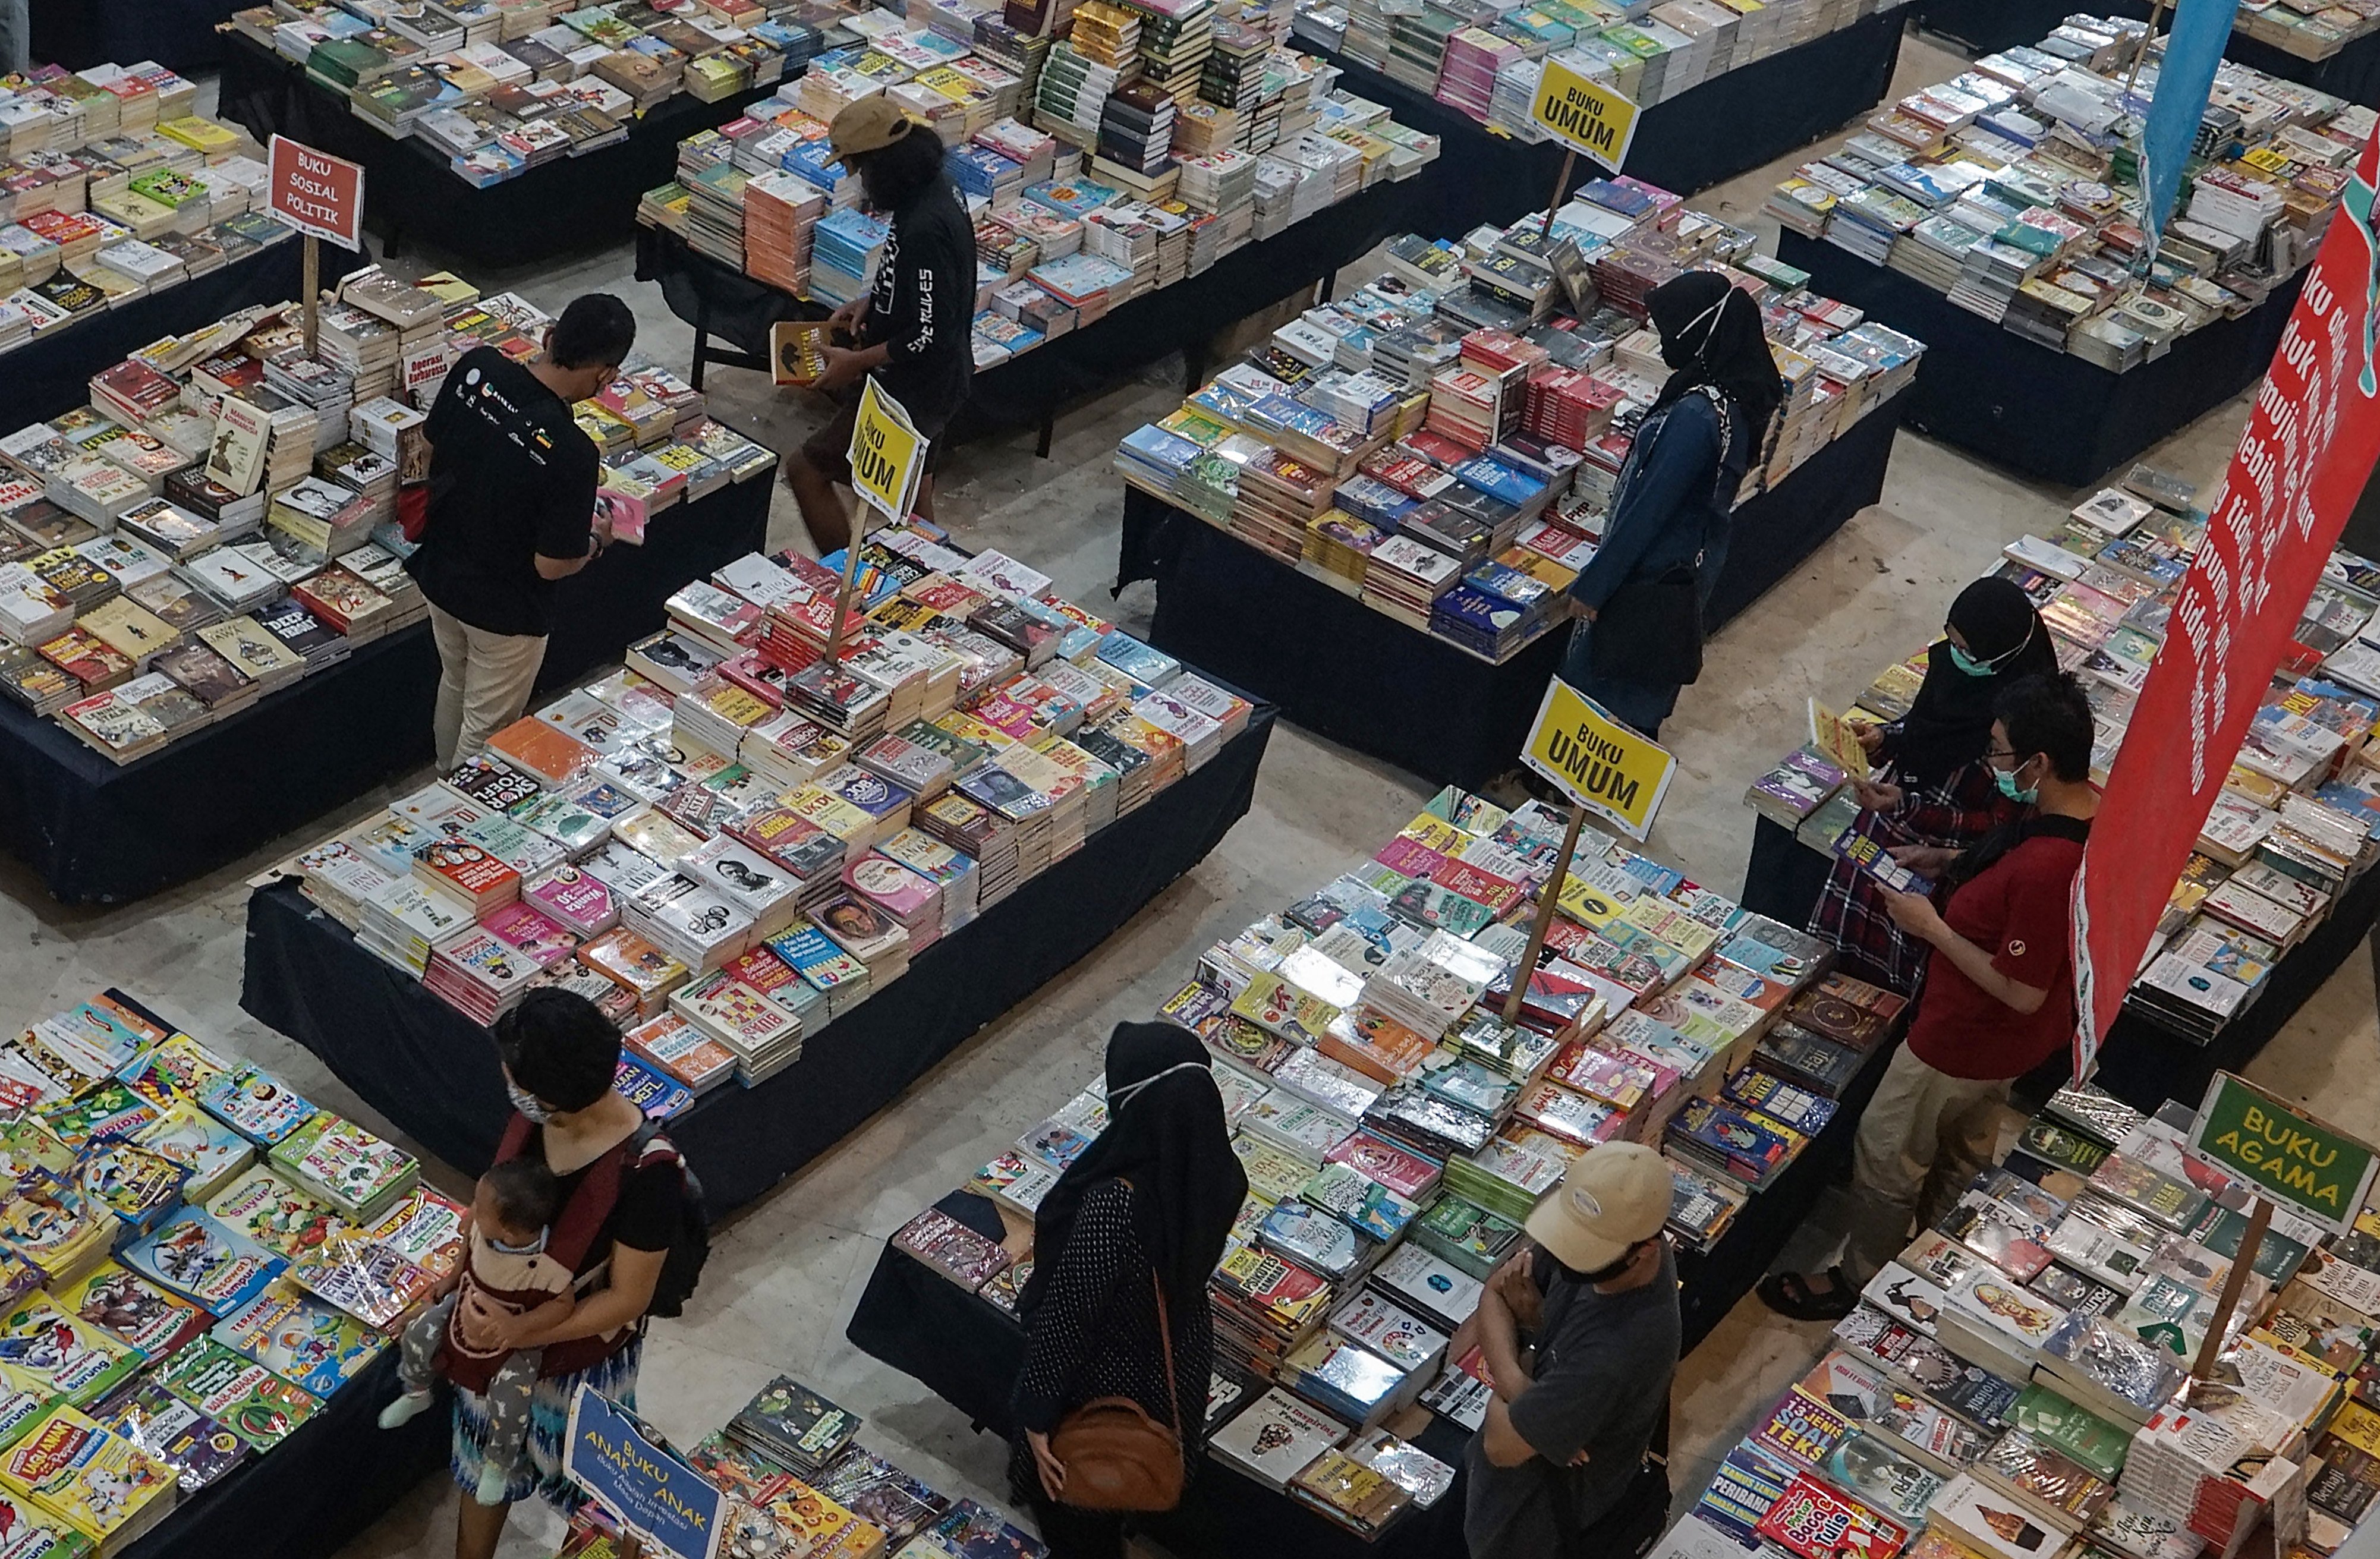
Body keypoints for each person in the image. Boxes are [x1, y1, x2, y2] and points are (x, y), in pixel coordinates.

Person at [1762, 673, 2098, 1321]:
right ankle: (1942, 1261)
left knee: (1888, 1150)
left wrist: (1932, 927)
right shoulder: (2082, 814)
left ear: (2039, 762)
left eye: (2000, 753)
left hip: (1963, 1040)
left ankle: (1863, 1280)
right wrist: (1950, 860)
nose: (1992, 765)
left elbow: (2021, 989)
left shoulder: (2046, 870)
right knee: (1960, 1154)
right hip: (2002, 1049)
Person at [451, 988, 685, 1559]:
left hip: (581, 1360)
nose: (506, 1082)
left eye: (516, 1077)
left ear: (550, 1094)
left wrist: (523, 1333)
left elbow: (629, 1297)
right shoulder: (533, 1121)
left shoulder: (647, 1171)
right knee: (484, 1458)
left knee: (600, 1495)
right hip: (494, 1338)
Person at [1012, 1023, 1248, 1559]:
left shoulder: (1114, 1203)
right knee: (1130, 1484)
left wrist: (1035, 1416)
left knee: (1082, 1510)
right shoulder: (1216, 1174)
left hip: (1101, 1386)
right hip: (1175, 1368)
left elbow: (1069, 1317)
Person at [408, 294, 636, 769]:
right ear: (606, 375)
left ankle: (441, 776)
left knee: (454, 680)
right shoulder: (573, 452)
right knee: (487, 726)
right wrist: (596, 542)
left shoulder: (478, 367)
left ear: (550, 336)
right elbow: (550, 564)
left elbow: (426, 444)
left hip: (440, 570)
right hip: (504, 611)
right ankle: (455, 810)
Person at [1558, 272, 1784, 739]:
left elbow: (1650, 511)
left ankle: (1572, 794)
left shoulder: (1695, 418)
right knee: (1643, 684)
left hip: (1650, 579)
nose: (1662, 344)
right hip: (1684, 574)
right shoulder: (1732, 400)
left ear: (1696, 334)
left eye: (1667, 332)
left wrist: (1595, 586)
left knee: (1607, 690)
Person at [1808, 578, 2057, 992]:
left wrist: (1909, 808)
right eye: (1952, 641)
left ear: (2003, 652)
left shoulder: (2023, 721)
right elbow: (1927, 728)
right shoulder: (1951, 670)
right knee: (1837, 974)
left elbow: (1997, 824)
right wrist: (1885, 740)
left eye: (1969, 651)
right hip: (1880, 842)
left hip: (1931, 869)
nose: (1957, 657)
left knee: (1895, 985)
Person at [1456, 1141, 1680, 1559]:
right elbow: (1492, 1296)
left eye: (1587, 1250)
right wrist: (1523, 1388)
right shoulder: (1601, 1232)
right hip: (1485, 1494)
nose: (1566, 1256)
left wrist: (1520, 1350)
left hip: (1530, 1528)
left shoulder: (1616, 1352)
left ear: (1646, 1249)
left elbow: (1502, 1446)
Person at [785, 98, 975, 553]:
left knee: (806, 470)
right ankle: (934, 578)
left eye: (858, 169)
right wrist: (877, 300)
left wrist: (857, 363)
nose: (859, 183)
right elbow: (932, 289)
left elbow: (930, 334)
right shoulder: (938, 189)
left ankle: (852, 585)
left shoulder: (926, 224)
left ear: (882, 165)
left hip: (913, 391)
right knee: (913, 500)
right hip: (936, 384)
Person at [380, 1158, 572, 1507]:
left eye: (480, 1208)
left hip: (513, 1337)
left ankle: (498, 1463)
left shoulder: (547, 1265)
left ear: (511, 1234)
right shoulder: (481, 1229)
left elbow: (563, 1305)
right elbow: (468, 1250)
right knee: (418, 1334)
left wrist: (519, 1328)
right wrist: (452, 1280)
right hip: (465, 1300)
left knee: (513, 1400)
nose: (470, 1210)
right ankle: (417, 1390)